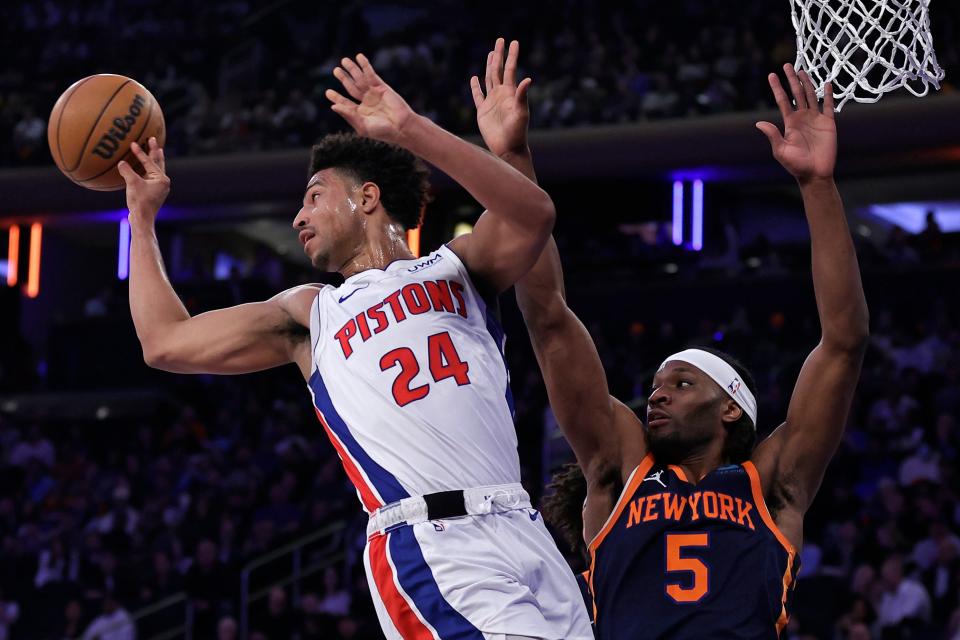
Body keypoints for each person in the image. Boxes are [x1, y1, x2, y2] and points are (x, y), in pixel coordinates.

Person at [119, 44, 591, 640]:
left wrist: (447, 138)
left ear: (366, 198)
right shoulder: (310, 312)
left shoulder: (459, 267)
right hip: (430, 543)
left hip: (523, 525)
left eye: (313, 196)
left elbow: (533, 216)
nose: (297, 217)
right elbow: (164, 341)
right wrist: (140, 219)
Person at [486, 46, 868, 638]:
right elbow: (549, 319)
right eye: (658, 385)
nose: (656, 397)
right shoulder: (619, 470)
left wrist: (817, 186)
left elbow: (844, 342)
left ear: (730, 407)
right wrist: (512, 159)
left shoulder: (769, 484)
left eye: (682, 383)